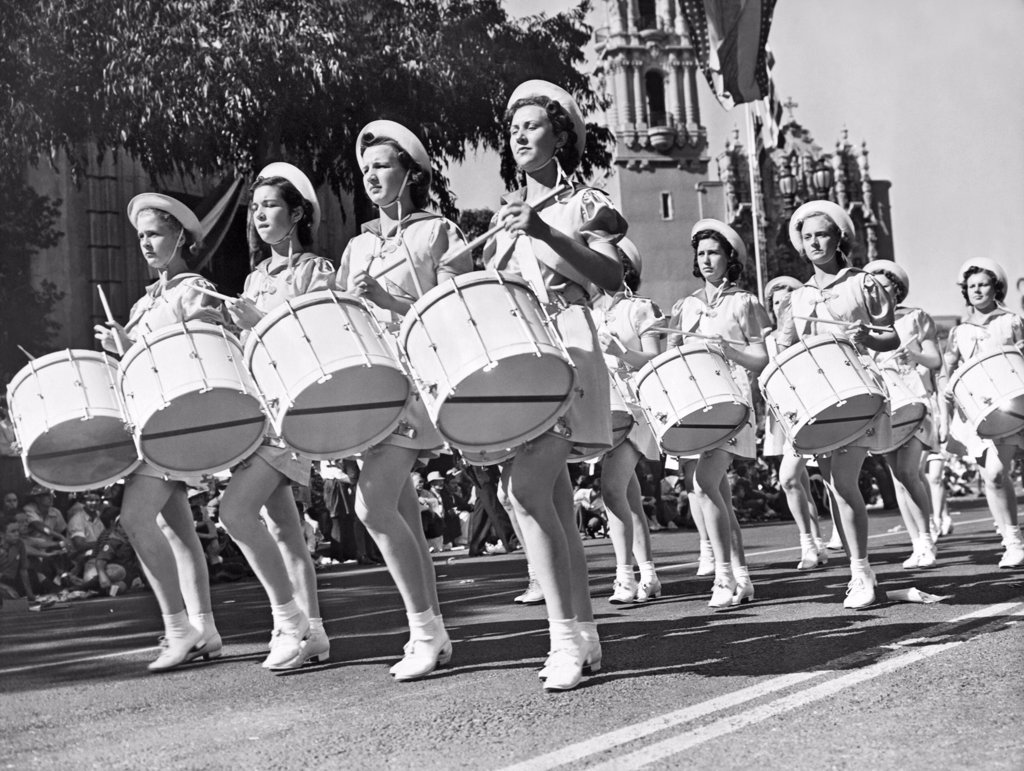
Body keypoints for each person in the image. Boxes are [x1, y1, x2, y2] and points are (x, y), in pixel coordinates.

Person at [482, 80, 624, 690]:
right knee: (557, 504)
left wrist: (542, 232)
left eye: (533, 125)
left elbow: (612, 275)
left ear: (561, 136)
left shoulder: (584, 202)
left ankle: (562, 638)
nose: (519, 135)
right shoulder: (501, 216)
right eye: (513, 127)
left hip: (568, 342)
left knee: (525, 491)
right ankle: (586, 634)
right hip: (521, 352)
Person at [335, 120, 472, 680]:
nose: (371, 176)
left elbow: (453, 314)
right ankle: (433, 629)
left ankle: (425, 630)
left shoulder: (438, 232)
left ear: (411, 172)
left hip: (416, 382)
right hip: (371, 386)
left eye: (383, 166)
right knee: (405, 516)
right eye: (365, 169)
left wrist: (389, 301)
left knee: (372, 506)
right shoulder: (357, 244)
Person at [93, 193, 224, 670]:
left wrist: (134, 345)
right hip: (152, 422)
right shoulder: (145, 301)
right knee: (176, 528)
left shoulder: (194, 290)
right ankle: (204, 626)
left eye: (154, 234)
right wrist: (119, 346)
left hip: (177, 421)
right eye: (141, 237)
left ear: (180, 237)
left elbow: (202, 350)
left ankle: (177, 628)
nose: (145, 244)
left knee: (135, 518)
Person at [219, 163, 333, 671]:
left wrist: (257, 321)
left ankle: (291, 622)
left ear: (297, 213)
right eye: (255, 208)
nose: (260, 215)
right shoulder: (254, 278)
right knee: (284, 527)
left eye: (270, 206)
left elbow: (318, 345)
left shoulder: (316, 271)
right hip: (259, 413)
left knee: (234, 512)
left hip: (294, 411)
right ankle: (316, 631)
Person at [775, 200, 899, 609]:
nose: (815, 242)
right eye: (807, 237)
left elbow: (891, 337)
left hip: (858, 390)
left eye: (822, 234)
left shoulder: (862, 283)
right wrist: (779, 332)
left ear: (838, 238)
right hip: (818, 397)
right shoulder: (800, 296)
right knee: (832, 486)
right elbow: (788, 348)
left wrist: (866, 337)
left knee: (844, 482)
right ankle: (858, 572)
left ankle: (862, 572)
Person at [663, 220, 770, 609]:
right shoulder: (685, 306)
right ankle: (742, 577)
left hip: (734, 401)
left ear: (730, 258)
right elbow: (672, 354)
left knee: (706, 482)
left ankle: (723, 576)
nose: (707, 260)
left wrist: (730, 350)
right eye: (702, 253)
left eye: (714, 253)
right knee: (716, 491)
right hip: (698, 402)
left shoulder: (744, 303)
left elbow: (761, 359)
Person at [591, 237, 664, 603]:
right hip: (603, 411)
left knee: (611, 489)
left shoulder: (640, 309)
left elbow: (654, 359)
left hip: (636, 410)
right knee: (628, 496)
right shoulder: (586, 313)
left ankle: (624, 576)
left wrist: (621, 351)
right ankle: (648, 574)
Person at [943, 258, 1024, 568]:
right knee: (993, 476)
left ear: (996, 288)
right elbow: (947, 368)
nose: (977, 290)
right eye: (971, 286)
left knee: (997, 475)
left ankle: (1013, 537)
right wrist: (947, 391)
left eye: (983, 284)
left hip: (1014, 406)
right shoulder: (959, 331)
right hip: (978, 413)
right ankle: (1012, 540)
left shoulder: (1012, 321)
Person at [863, 260, 942, 568]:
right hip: (885, 406)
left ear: (896, 289)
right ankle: (917, 543)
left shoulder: (915, 317)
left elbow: (934, 360)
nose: (876, 292)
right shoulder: (866, 324)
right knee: (898, 480)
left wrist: (915, 355)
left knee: (909, 472)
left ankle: (926, 539)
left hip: (913, 399)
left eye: (883, 286)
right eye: (871, 287)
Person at [762, 275, 828, 570]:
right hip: (781, 416)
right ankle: (816, 544)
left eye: (788, 302)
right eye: (776, 303)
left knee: (790, 478)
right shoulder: (766, 339)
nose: (782, 308)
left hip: (810, 411)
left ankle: (809, 544)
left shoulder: (809, 334)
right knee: (799, 482)